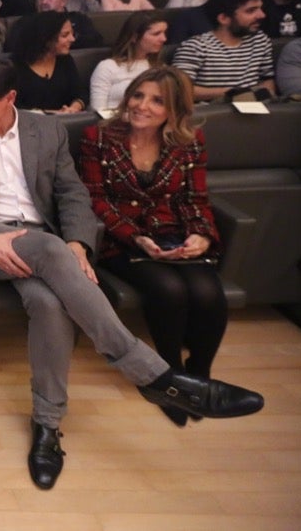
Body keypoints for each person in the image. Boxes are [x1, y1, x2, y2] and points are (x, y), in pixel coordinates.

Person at [0, 57, 264, 490]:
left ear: (10, 99)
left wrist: (78, 242)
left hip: (46, 241)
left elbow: (72, 193)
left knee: (49, 304)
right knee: (49, 250)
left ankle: (47, 426)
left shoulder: (46, 130)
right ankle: (154, 375)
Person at [80, 68, 228, 426]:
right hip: (123, 240)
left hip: (175, 234)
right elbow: (96, 201)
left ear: (174, 110)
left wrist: (201, 235)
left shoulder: (190, 141)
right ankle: (170, 378)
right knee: (169, 289)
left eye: (156, 100)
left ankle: (200, 374)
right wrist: (135, 237)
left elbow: (196, 199)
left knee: (209, 294)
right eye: (137, 95)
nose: (142, 106)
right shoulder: (99, 137)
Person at [172, 0, 276, 101]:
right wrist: (235, 93)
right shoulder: (195, 47)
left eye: (260, 9)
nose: (261, 15)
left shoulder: (260, 40)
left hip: (256, 111)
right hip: (214, 114)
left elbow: (267, 80)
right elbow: (180, 90)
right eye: (250, 11)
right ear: (224, 18)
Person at [10, 11, 87, 113]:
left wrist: (74, 108)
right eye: (65, 35)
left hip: (66, 122)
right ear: (46, 39)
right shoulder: (15, 66)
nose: (72, 39)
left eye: (72, 34)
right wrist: (52, 113)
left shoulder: (65, 60)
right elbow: (13, 107)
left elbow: (80, 93)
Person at [89, 12, 168, 111]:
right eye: (156, 34)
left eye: (164, 33)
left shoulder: (160, 68)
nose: (164, 39)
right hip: (114, 123)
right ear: (134, 37)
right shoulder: (107, 67)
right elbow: (97, 111)